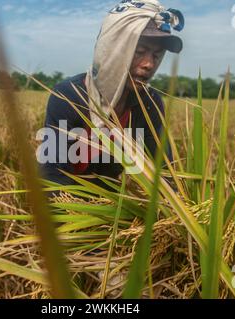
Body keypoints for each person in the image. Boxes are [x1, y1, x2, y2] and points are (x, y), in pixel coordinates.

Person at [37, 0, 184, 195]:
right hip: (67, 204)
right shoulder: (68, 96)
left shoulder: (149, 104)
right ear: (113, 51)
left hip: (109, 204)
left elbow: (163, 170)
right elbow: (52, 176)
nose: (149, 64)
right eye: (139, 52)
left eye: (156, 55)